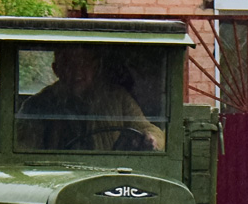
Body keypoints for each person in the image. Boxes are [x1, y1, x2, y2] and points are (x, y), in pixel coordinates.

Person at [16, 46, 165, 151]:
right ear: (56, 69)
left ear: (95, 67)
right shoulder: (37, 105)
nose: (77, 72)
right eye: (69, 64)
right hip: (56, 176)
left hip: (106, 174)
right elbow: (22, 148)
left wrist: (152, 139)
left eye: (84, 63)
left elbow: (147, 128)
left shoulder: (117, 98)